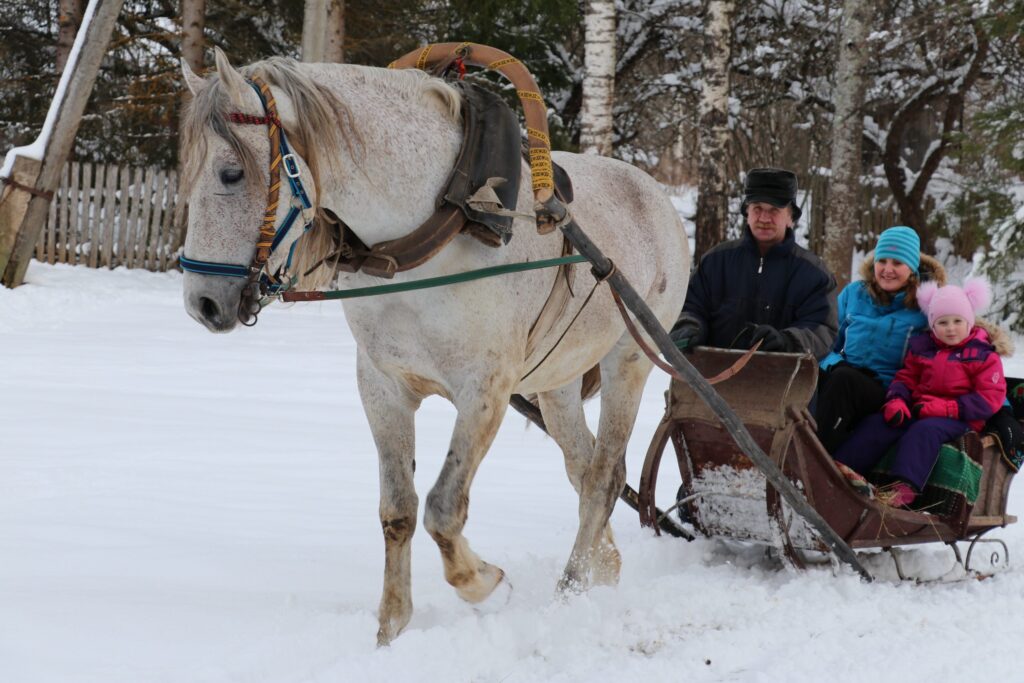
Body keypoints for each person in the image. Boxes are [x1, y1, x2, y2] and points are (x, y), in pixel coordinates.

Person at [831, 278, 1007, 507]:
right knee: (880, 422)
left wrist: (947, 408)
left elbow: (989, 398)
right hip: (920, 408)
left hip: (961, 418)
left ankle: (905, 487)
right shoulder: (922, 349)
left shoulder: (983, 355)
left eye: (957, 321)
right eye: (943, 322)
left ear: (969, 322)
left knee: (924, 431)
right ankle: (843, 468)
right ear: (933, 325)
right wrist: (897, 400)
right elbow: (906, 378)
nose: (951, 328)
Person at [669, 168, 837, 357]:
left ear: (790, 217)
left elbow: (823, 329)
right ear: (747, 212)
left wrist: (787, 341)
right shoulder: (714, 262)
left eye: (774, 210)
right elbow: (688, 306)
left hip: (785, 380)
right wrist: (689, 329)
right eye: (757, 208)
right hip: (710, 376)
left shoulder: (814, 274)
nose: (764, 218)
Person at [815, 226, 947, 453]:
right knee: (814, 376)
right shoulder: (854, 293)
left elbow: (963, 348)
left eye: (897, 263)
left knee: (843, 380)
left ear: (912, 267)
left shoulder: (926, 306)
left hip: (888, 390)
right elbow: (825, 340)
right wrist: (834, 362)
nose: (887, 270)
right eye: (882, 261)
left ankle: (818, 456)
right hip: (844, 374)